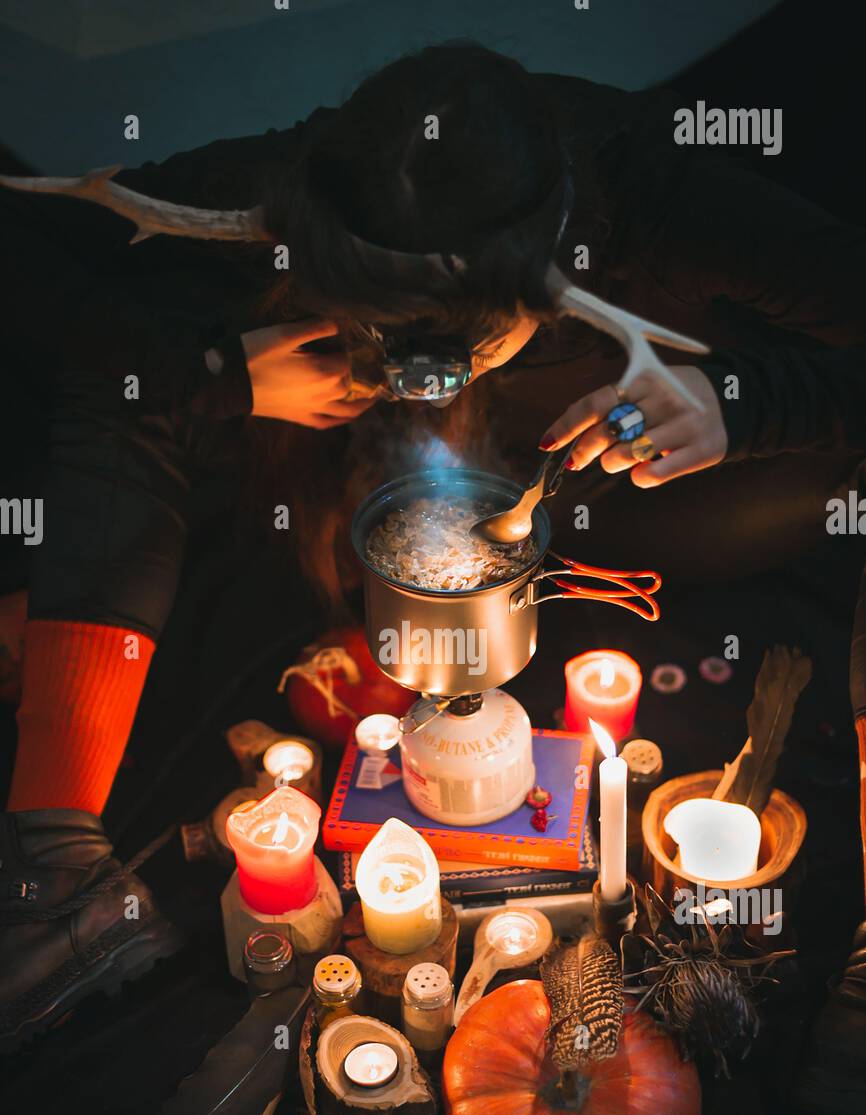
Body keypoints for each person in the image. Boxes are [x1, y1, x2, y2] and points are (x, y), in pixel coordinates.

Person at [1, 42, 864, 1051]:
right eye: (375, 331)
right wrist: (212, 374)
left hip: (621, 473)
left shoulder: (647, 189)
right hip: (336, 465)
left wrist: (738, 403)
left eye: (450, 346)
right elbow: (35, 250)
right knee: (126, 387)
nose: (420, 382)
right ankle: (62, 866)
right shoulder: (294, 181)